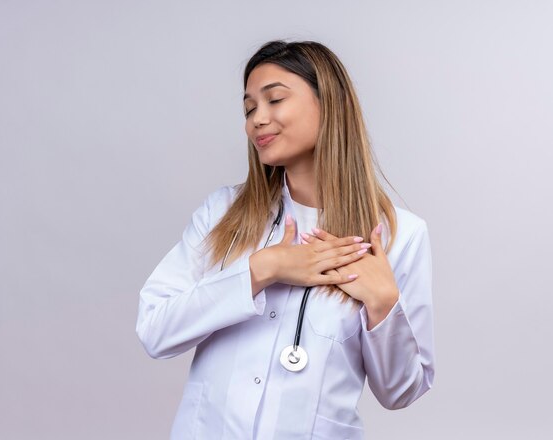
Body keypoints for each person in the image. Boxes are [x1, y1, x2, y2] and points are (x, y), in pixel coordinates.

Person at [136, 39, 434, 440]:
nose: (257, 119)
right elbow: (155, 330)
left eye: (274, 99)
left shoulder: (400, 236)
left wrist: (383, 305)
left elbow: (401, 391)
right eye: (249, 108)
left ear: (329, 103)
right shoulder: (223, 214)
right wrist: (264, 269)